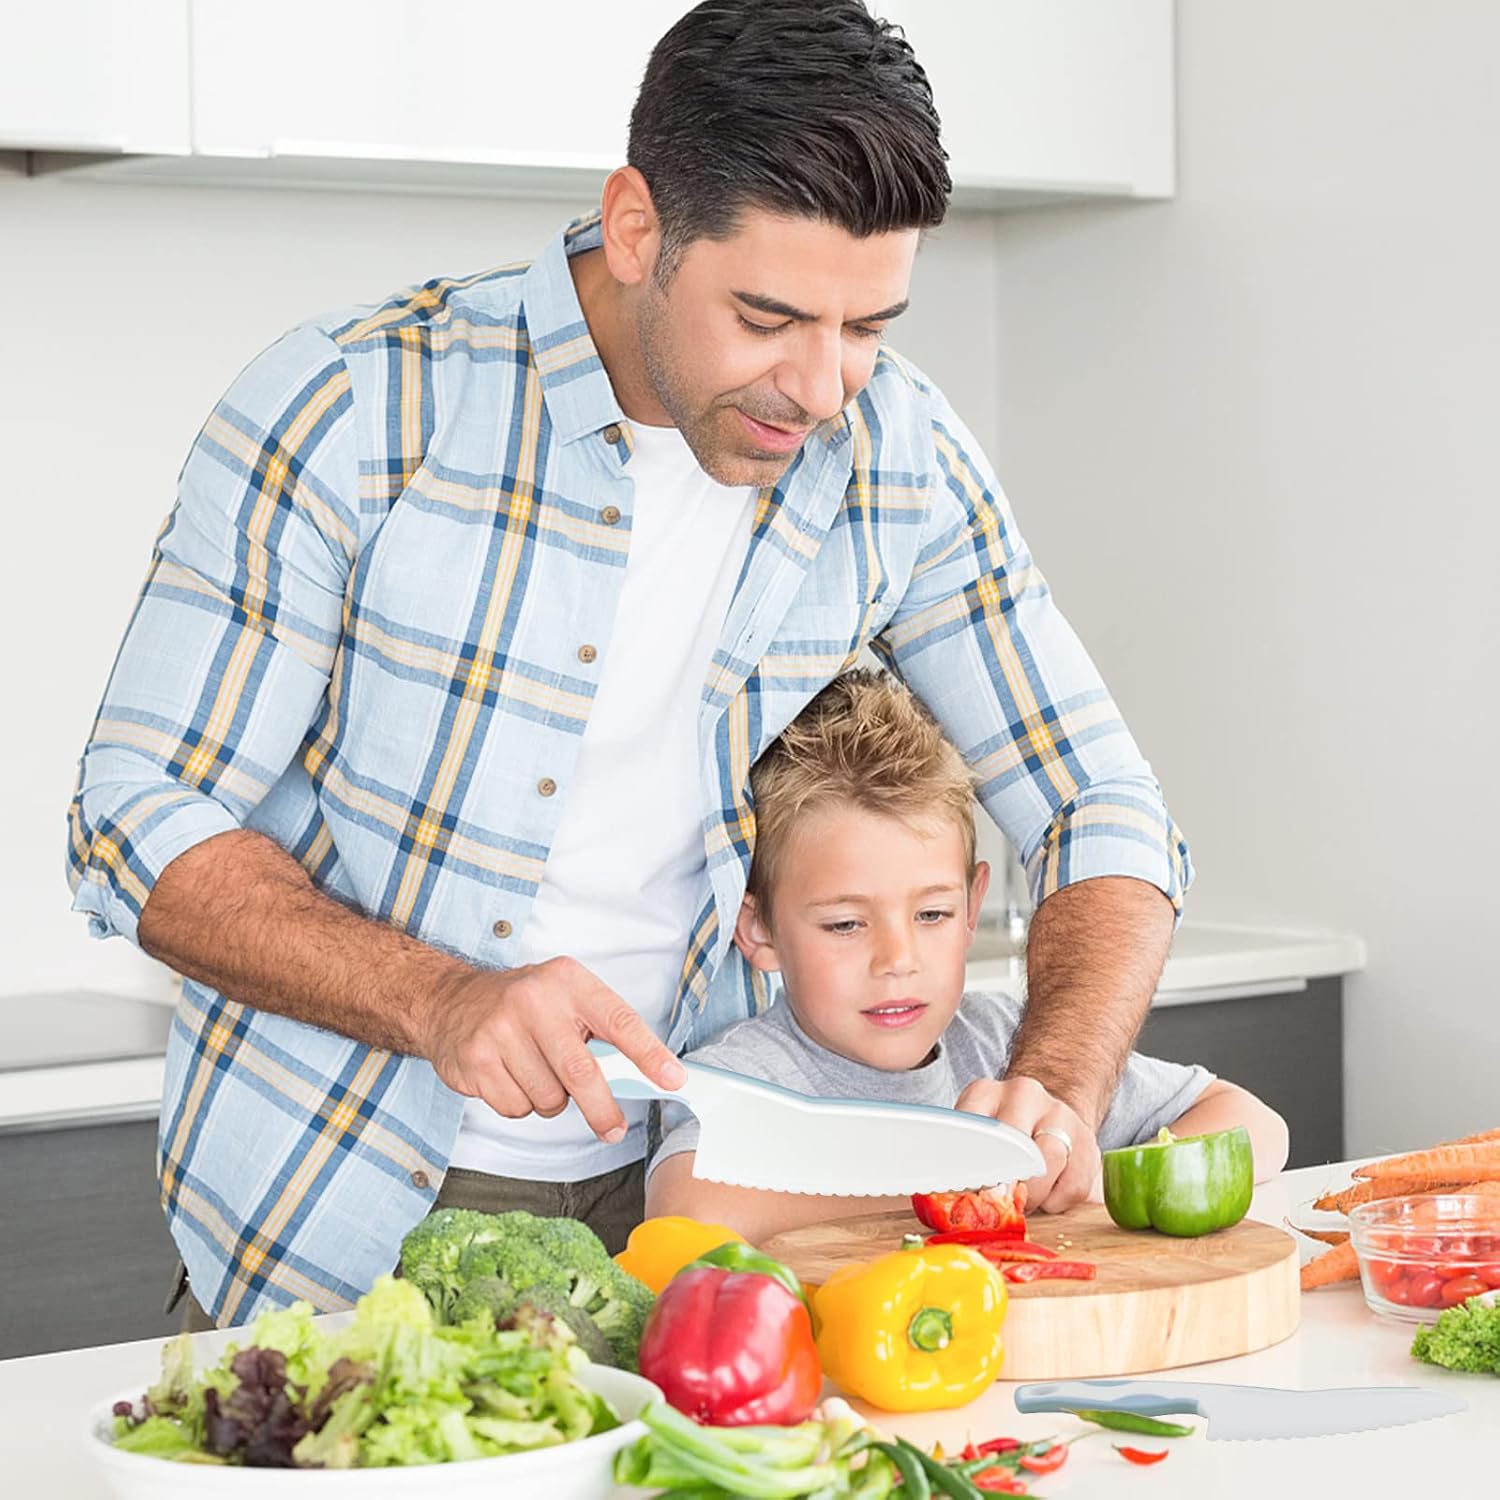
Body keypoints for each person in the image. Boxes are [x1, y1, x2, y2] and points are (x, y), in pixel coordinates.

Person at [67, 0, 1192, 1328]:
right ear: (638, 225)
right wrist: (441, 999)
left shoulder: (900, 455)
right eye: (769, 316)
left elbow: (1100, 806)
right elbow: (135, 819)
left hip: (710, 1216)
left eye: (869, 326)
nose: (824, 387)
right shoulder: (358, 408)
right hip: (342, 1210)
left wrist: (1058, 1081)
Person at [647, 671, 1287, 1242]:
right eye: (845, 924)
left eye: (932, 915)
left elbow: (1256, 1125)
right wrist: (968, 1189)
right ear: (757, 929)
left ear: (973, 904)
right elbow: (686, 1211)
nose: (897, 959)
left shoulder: (1001, 1043)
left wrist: (1087, 1178)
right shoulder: (746, 1074)